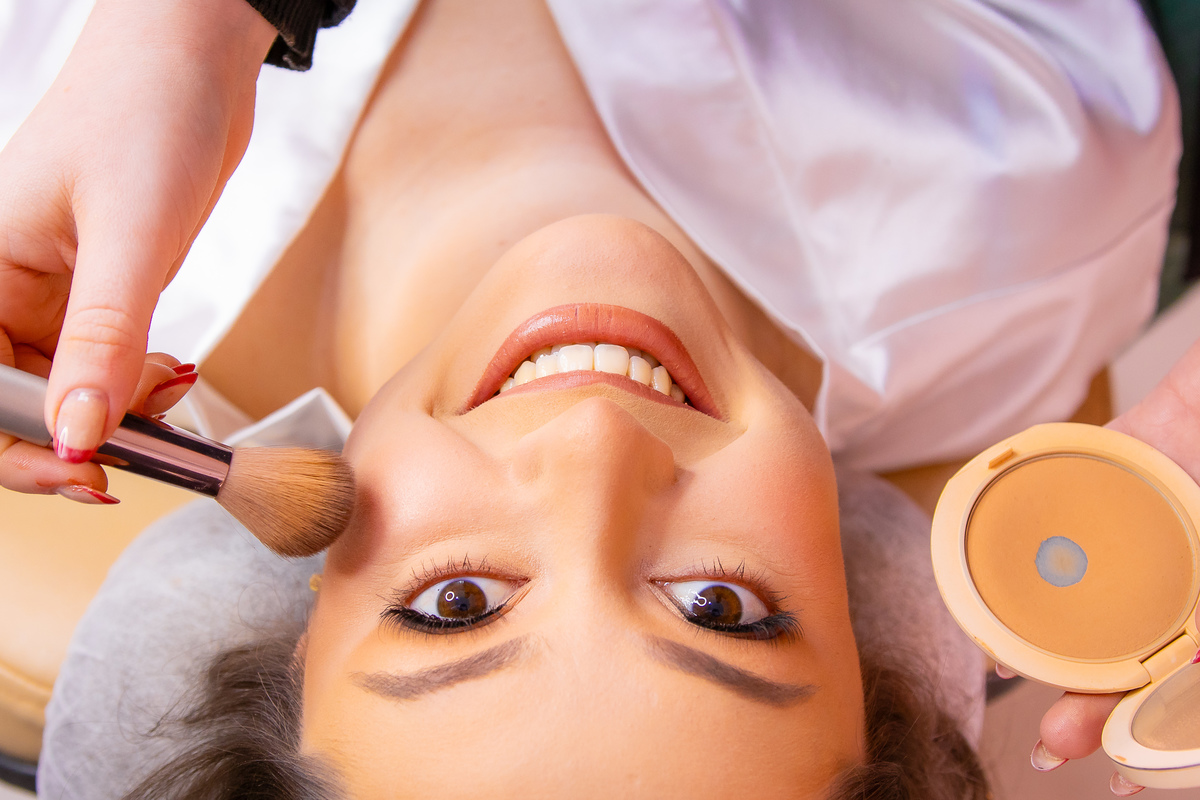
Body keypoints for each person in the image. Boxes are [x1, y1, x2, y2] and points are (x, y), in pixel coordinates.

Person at [0, 0, 1183, 796]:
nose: (595, 445)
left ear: (301, 633)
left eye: (457, 603)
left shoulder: (33, 171)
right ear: (863, 625)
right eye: (721, 606)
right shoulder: (1025, 204)